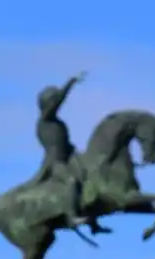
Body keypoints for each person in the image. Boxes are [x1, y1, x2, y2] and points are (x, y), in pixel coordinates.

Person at [30, 72, 106, 234]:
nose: (55, 103)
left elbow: (64, 142)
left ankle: (93, 222)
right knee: (71, 181)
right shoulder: (45, 120)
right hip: (55, 163)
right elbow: (56, 105)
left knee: (91, 177)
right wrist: (69, 84)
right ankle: (72, 216)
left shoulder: (58, 122)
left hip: (70, 157)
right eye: (53, 100)